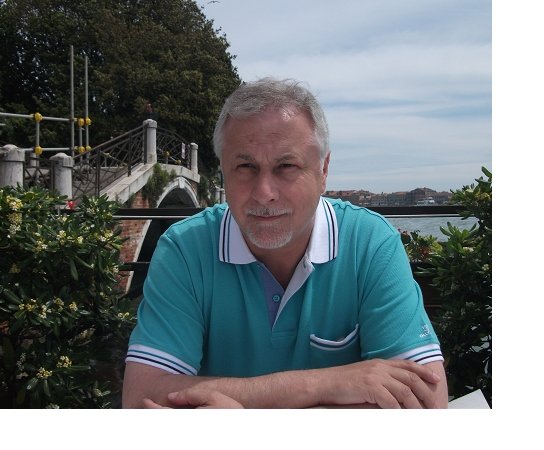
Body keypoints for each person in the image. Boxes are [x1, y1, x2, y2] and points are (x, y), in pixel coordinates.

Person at [122, 77, 448, 409]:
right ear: (223, 171)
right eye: (245, 166)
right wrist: (324, 383)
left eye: (286, 166)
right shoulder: (186, 249)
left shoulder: (369, 244)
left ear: (323, 170)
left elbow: (427, 402)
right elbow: (141, 399)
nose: (264, 192)